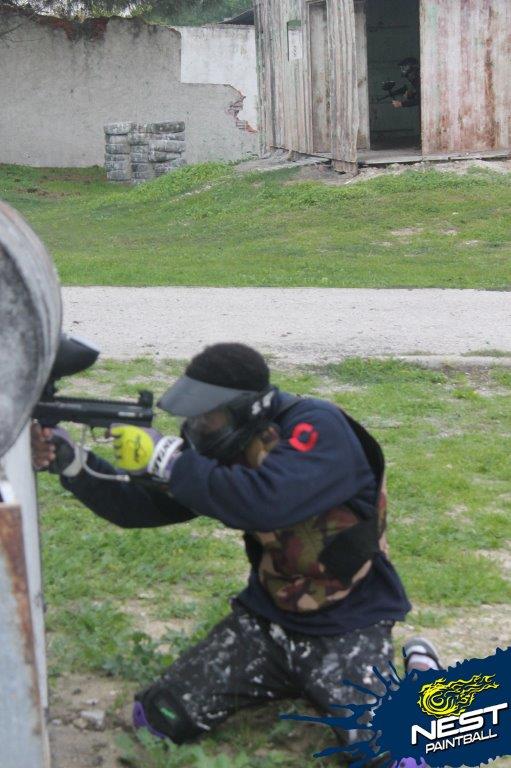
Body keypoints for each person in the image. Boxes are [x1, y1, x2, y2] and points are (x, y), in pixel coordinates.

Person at [32, 343, 439, 760]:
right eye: (194, 418)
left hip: (348, 623)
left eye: (207, 417)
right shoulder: (226, 442)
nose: (196, 428)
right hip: (267, 622)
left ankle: (422, 674)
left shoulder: (317, 428)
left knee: (396, 754)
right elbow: (145, 507)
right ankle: (293, 676)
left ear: (245, 408)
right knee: (157, 718)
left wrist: (168, 462)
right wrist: (73, 463)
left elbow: (266, 500)